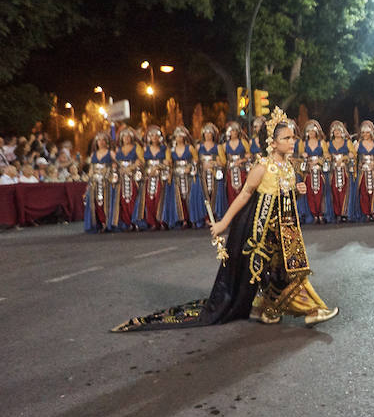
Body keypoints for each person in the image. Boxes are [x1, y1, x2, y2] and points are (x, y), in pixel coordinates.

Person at [112, 107, 339, 331]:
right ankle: (313, 310)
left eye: (292, 137)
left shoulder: (288, 166)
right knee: (279, 273)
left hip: (287, 231)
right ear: (272, 142)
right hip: (261, 234)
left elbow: (284, 197)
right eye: (286, 138)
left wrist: (297, 191)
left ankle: (266, 309)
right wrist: (223, 223)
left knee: (283, 272)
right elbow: (244, 195)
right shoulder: (262, 168)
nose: (292, 141)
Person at [164, 125, 202, 229]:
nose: (179, 138)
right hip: (176, 175)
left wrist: (190, 166)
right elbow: (169, 162)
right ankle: (183, 219)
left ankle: (193, 219)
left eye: (181, 136)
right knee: (179, 198)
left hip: (189, 175)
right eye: (177, 136)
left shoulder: (190, 148)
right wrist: (167, 164)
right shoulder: (171, 150)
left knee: (190, 197)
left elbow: (196, 159)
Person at [134, 125, 171, 230]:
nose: (154, 137)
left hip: (161, 177)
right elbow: (142, 162)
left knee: (160, 199)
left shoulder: (165, 149)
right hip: (148, 178)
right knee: (148, 200)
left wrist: (159, 167)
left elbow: (168, 163)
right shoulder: (145, 149)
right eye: (152, 135)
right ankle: (152, 222)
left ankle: (162, 221)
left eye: (156, 135)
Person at [299, 119, 331, 224]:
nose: (311, 133)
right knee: (310, 194)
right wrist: (305, 158)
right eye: (309, 131)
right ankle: (313, 215)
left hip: (319, 171)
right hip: (308, 172)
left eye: (313, 131)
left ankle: (321, 214)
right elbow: (300, 157)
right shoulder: (303, 144)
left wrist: (319, 161)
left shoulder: (322, 143)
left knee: (320, 193)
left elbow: (327, 156)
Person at [111, 127, 143, 231]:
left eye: (128, 136)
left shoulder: (136, 147)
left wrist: (131, 167)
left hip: (133, 177)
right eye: (124, 137)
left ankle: (136, 221)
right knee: (122, 200)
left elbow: (140, 161)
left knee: (134, 198)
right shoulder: (118, 149)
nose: (126, 138)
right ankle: (126, 222)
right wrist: (116, 167)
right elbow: (116, 163)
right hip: (121, 178)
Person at [84, 132, 114, 232]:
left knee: (106, 202)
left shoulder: (111, 153)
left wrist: (110, 169)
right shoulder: (93, 154)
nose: (101, 142)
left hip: (106, 181)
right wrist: (89, 181)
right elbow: (91, 169)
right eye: (99, 140)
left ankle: (107, 222)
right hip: (95, 181)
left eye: (103, 140)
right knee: (95, 202)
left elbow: (117, 164)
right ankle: (99, 223)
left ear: (106, 142)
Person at [328, 120, 356, 223]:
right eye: (335, 131)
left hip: (345, 170)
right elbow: (325, 154)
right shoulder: (329, 143)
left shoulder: (347, 142)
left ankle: (345, 213)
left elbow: (353, 154)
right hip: (333, 171)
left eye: (339, 130)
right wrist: (330, 157)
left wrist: (344, 158)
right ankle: (337, 213)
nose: (337, 132)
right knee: (334, 192)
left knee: (345, 191)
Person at [197, 122, 226, 222]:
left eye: (210, 133)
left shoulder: (218, 147)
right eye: (206, 133)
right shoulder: (199, 147)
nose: (208, 135)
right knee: (202, 194)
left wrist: (214, 163)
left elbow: (223, 162)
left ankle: (216, 214)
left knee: (216, 194)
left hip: (215, 174)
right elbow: (195, 161)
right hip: (202, 175)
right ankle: (205, 217)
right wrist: (201, 165)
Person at [355, 120, 374, 222]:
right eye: (363, 133)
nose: (365, 135)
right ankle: (366, 213)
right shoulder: (357, 144)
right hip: (362, 172)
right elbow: (353, 158)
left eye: (367, 132)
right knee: (364, 193)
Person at [221, 121, 250, 207]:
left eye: (235, 131)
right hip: (230, 173)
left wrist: (241, 160)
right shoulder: (224, 145)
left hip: (242, 171)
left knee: (243, 191)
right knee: (231, 193)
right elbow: (223, 161)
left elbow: (249, 155)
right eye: (231, 131)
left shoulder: (243, 142)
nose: (233, 133)